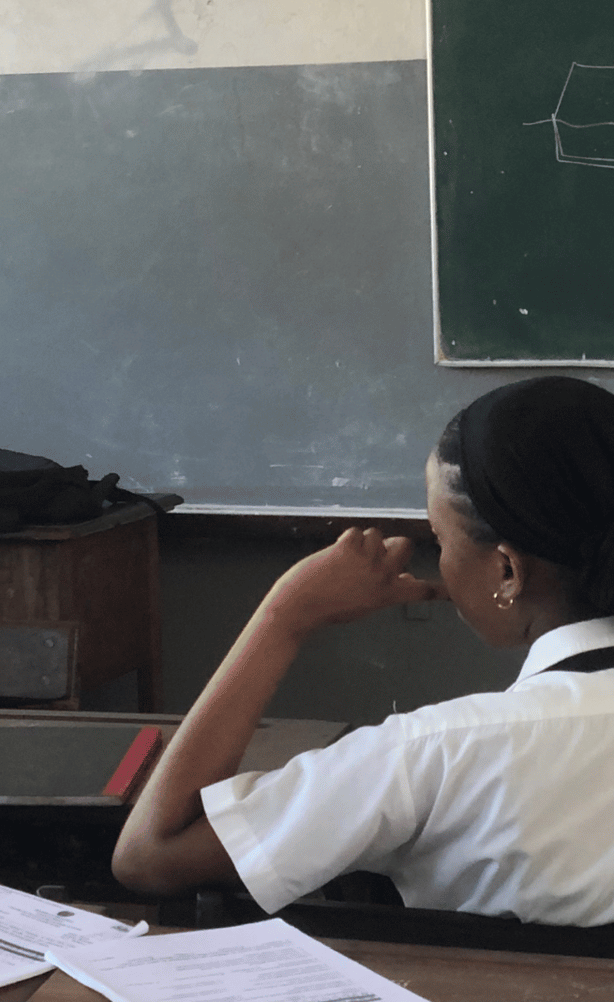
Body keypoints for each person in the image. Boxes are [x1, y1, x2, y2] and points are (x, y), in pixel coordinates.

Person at [113, 375, 614, 926]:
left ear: (506, 570)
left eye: (438, 540)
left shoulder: (439, 752)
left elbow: (149, 854)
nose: (438, 561)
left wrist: (286, 613)